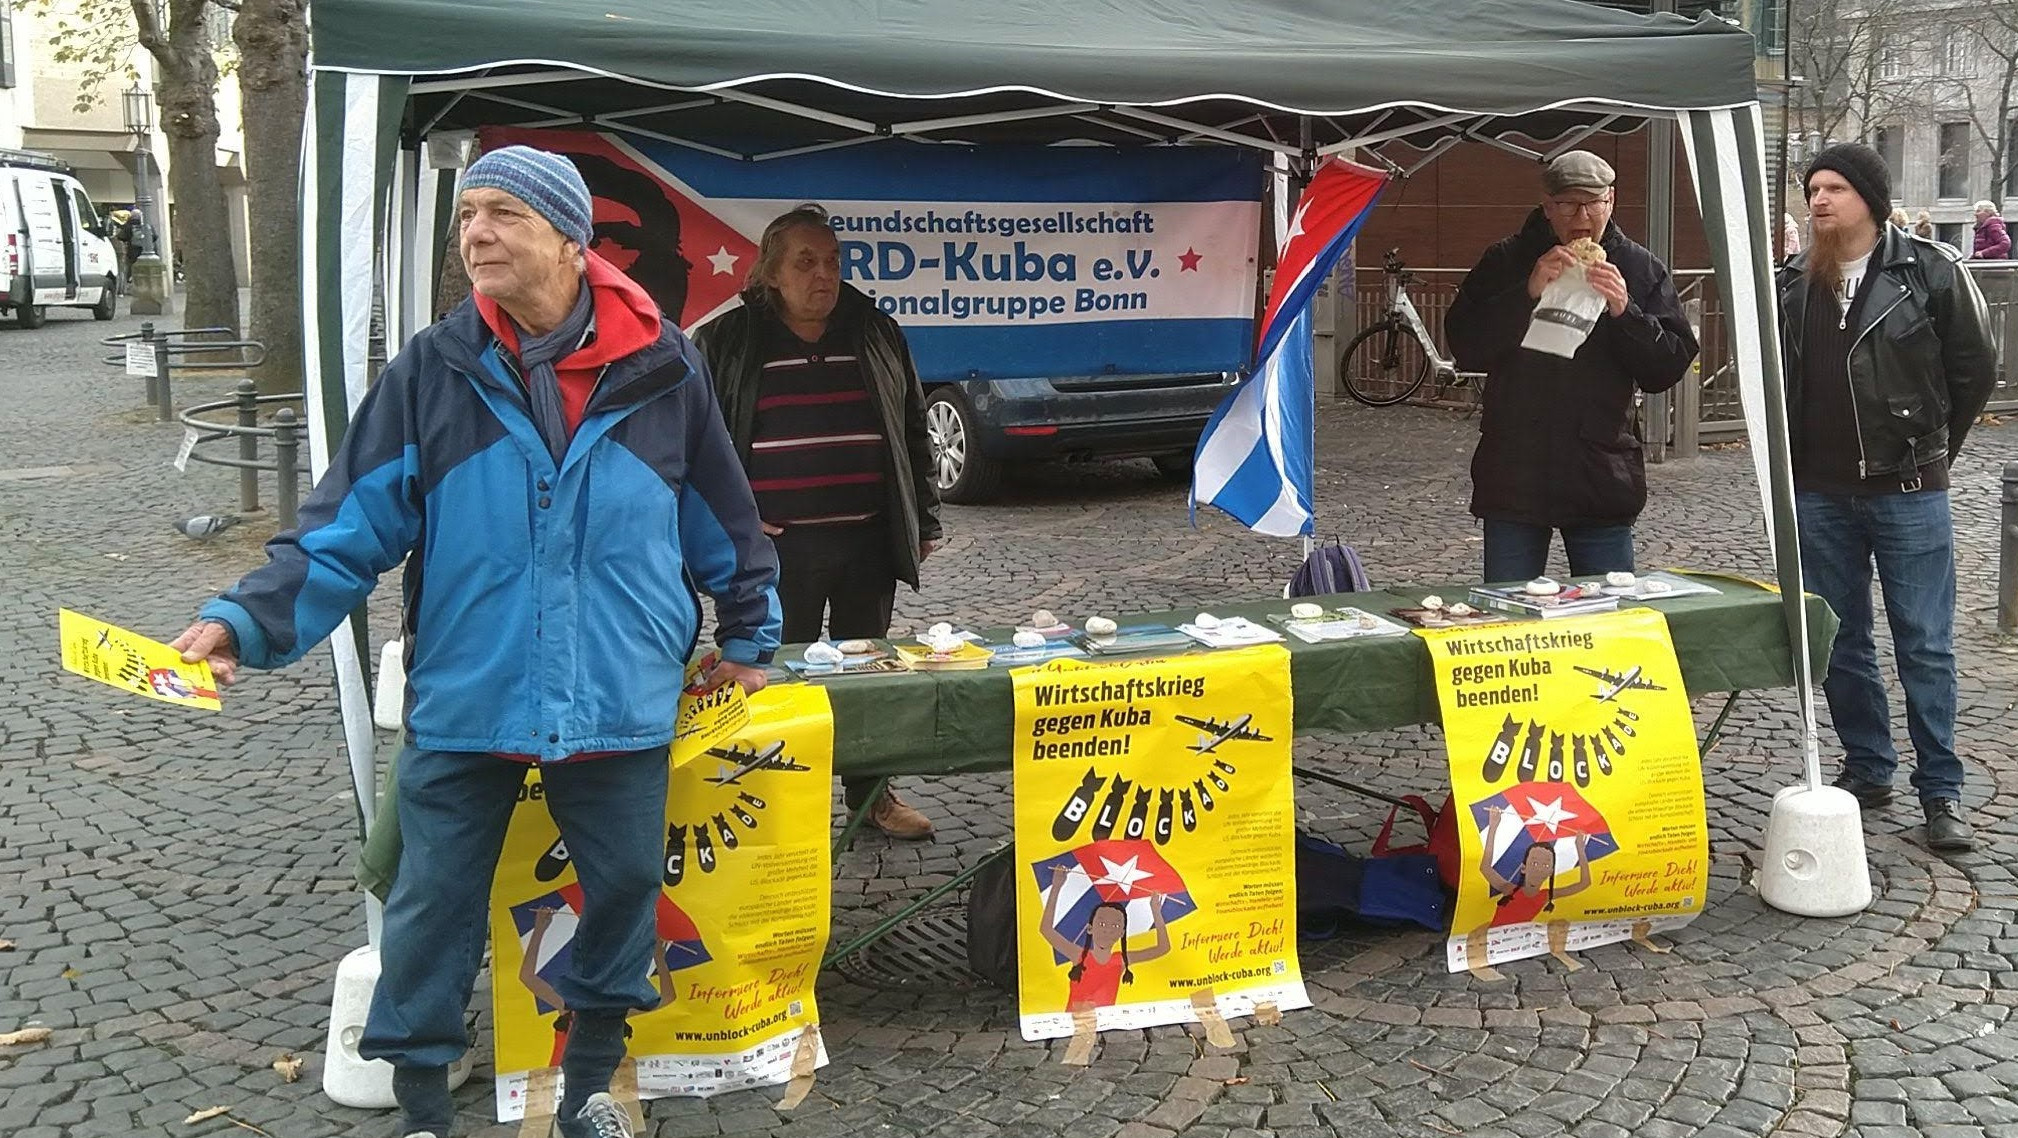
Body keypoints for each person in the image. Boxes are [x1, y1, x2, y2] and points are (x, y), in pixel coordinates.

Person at [170, 145, 782, 1138]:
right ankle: (420, 1112)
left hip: (616, 688)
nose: (476, 235)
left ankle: (588, 1091)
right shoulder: (436, 367)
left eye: (502, 214)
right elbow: (348, 521)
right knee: (428, 907)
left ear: (570, 240)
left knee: (623, 890)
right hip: (469, 686)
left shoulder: (666, 366)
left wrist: (750, 626)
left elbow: (721, 512)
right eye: (466, 216)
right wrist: (251, 614)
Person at [694, 203, 944, 840]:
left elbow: (913, 425)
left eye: (833, 261)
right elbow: (698, 444)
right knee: (776, 673)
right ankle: (780, 798)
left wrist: (926, 515)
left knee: (869, 676)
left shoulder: (876, 330)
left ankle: (872, 796)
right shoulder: (726, 340)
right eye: (806, 262)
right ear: (771, 273)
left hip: (865, 538)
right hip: (776, 550)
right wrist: (735, 521)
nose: (824, 274)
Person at [1776, 142, 1997, 853]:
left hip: (1908, 493)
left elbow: (1975, 372)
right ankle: (1868, 769)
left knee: (1925, 646)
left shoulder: (1929, 270)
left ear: (1869, 198)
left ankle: (1942, 792)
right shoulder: (1795, 282)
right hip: (1820, 494)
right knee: (1841, 643)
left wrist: (1929, 454)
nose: (1819, 201)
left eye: (1835, 188)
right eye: (1813, 188)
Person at [1447, 150, 1700, 582]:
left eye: (1592, 203)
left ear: (1611, 202)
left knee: (1609, 620)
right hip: (1514, 474)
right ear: (1547, 207)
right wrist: (1525, 293)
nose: (1581, 216)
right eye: (1567, 204)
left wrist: (1626, 311)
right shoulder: (1506, 259)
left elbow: (1666, 368)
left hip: (1600, 473)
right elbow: (1466, 346)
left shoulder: (1638, 268)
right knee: (1511, 617)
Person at [1039, 865, 1172, 1012]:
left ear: (1122, 933)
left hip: (1105, 1023)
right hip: (1074, 1021)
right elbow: (1046, 930)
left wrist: (1156, 911)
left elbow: (1162, 948)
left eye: (1115, 926)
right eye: (1102, 923)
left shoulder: (1120, 960)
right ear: (1090, 928)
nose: (1107, 930)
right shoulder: (1079, 955)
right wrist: (1056, 887)